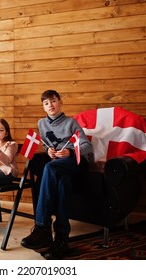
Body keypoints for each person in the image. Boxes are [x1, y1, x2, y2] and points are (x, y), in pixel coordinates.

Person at [20, 89, 93, 260]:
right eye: (46, 103)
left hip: (77, 162)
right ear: (43, 107)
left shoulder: (71, 122)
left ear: (60, 102)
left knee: (49, 169)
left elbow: (87, 147)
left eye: (53, 101)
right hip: (60, 166)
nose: (50, 105)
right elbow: (46, 145)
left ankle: (42, 227)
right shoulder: (42, 124)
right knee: (62, 183)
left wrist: (68, 150)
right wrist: (50, 152)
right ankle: (61, 240)